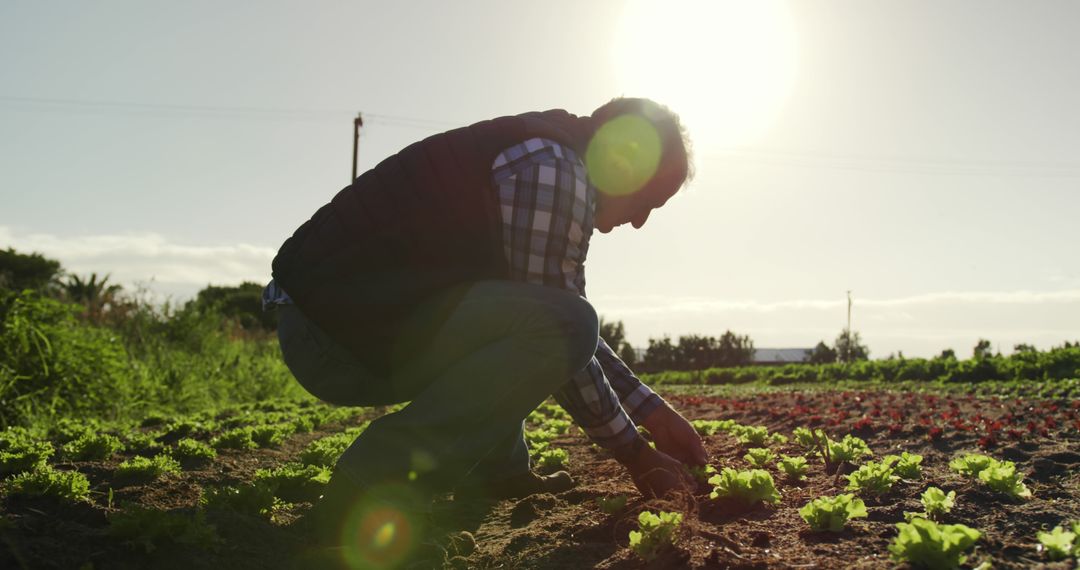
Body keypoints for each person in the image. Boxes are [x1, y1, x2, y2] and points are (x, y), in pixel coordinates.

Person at [264, 97, 708, 559]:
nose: (639, 221)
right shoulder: (554, 171)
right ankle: (363, 489)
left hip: (346, 321)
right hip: (330, 339)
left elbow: (552, 316)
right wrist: (636, 454)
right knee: (559, 321)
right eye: (649, 201)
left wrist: (652, 412)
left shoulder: (557, 157)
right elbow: (564, 330)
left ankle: (496, 470)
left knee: (538, 312)